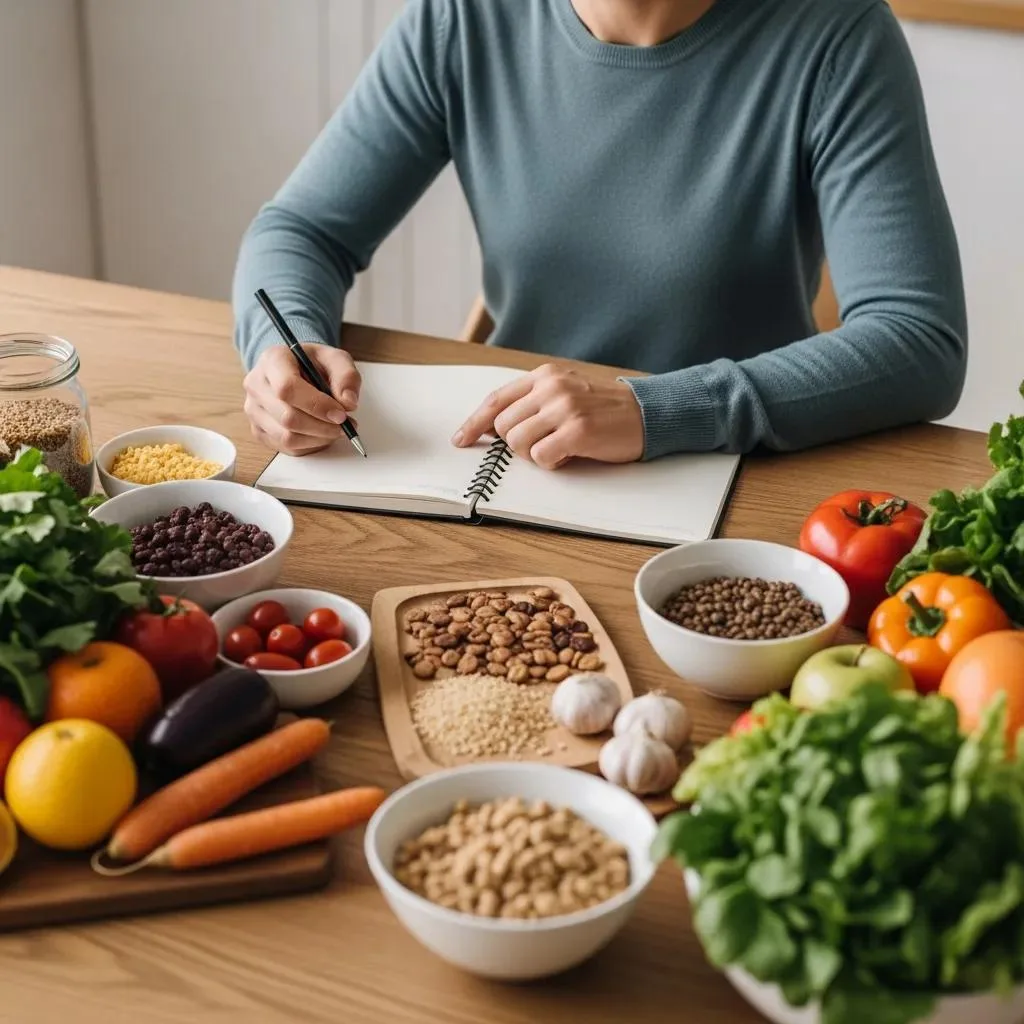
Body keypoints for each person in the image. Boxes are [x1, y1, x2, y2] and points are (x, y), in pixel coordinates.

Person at [233, 0, 967, 470]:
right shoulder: (462, 20)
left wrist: (658, 411)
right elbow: (302, 230)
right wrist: (284, 348)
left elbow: (918, 340)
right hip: (508, 463)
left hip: (738, 473)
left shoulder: (837, 36)